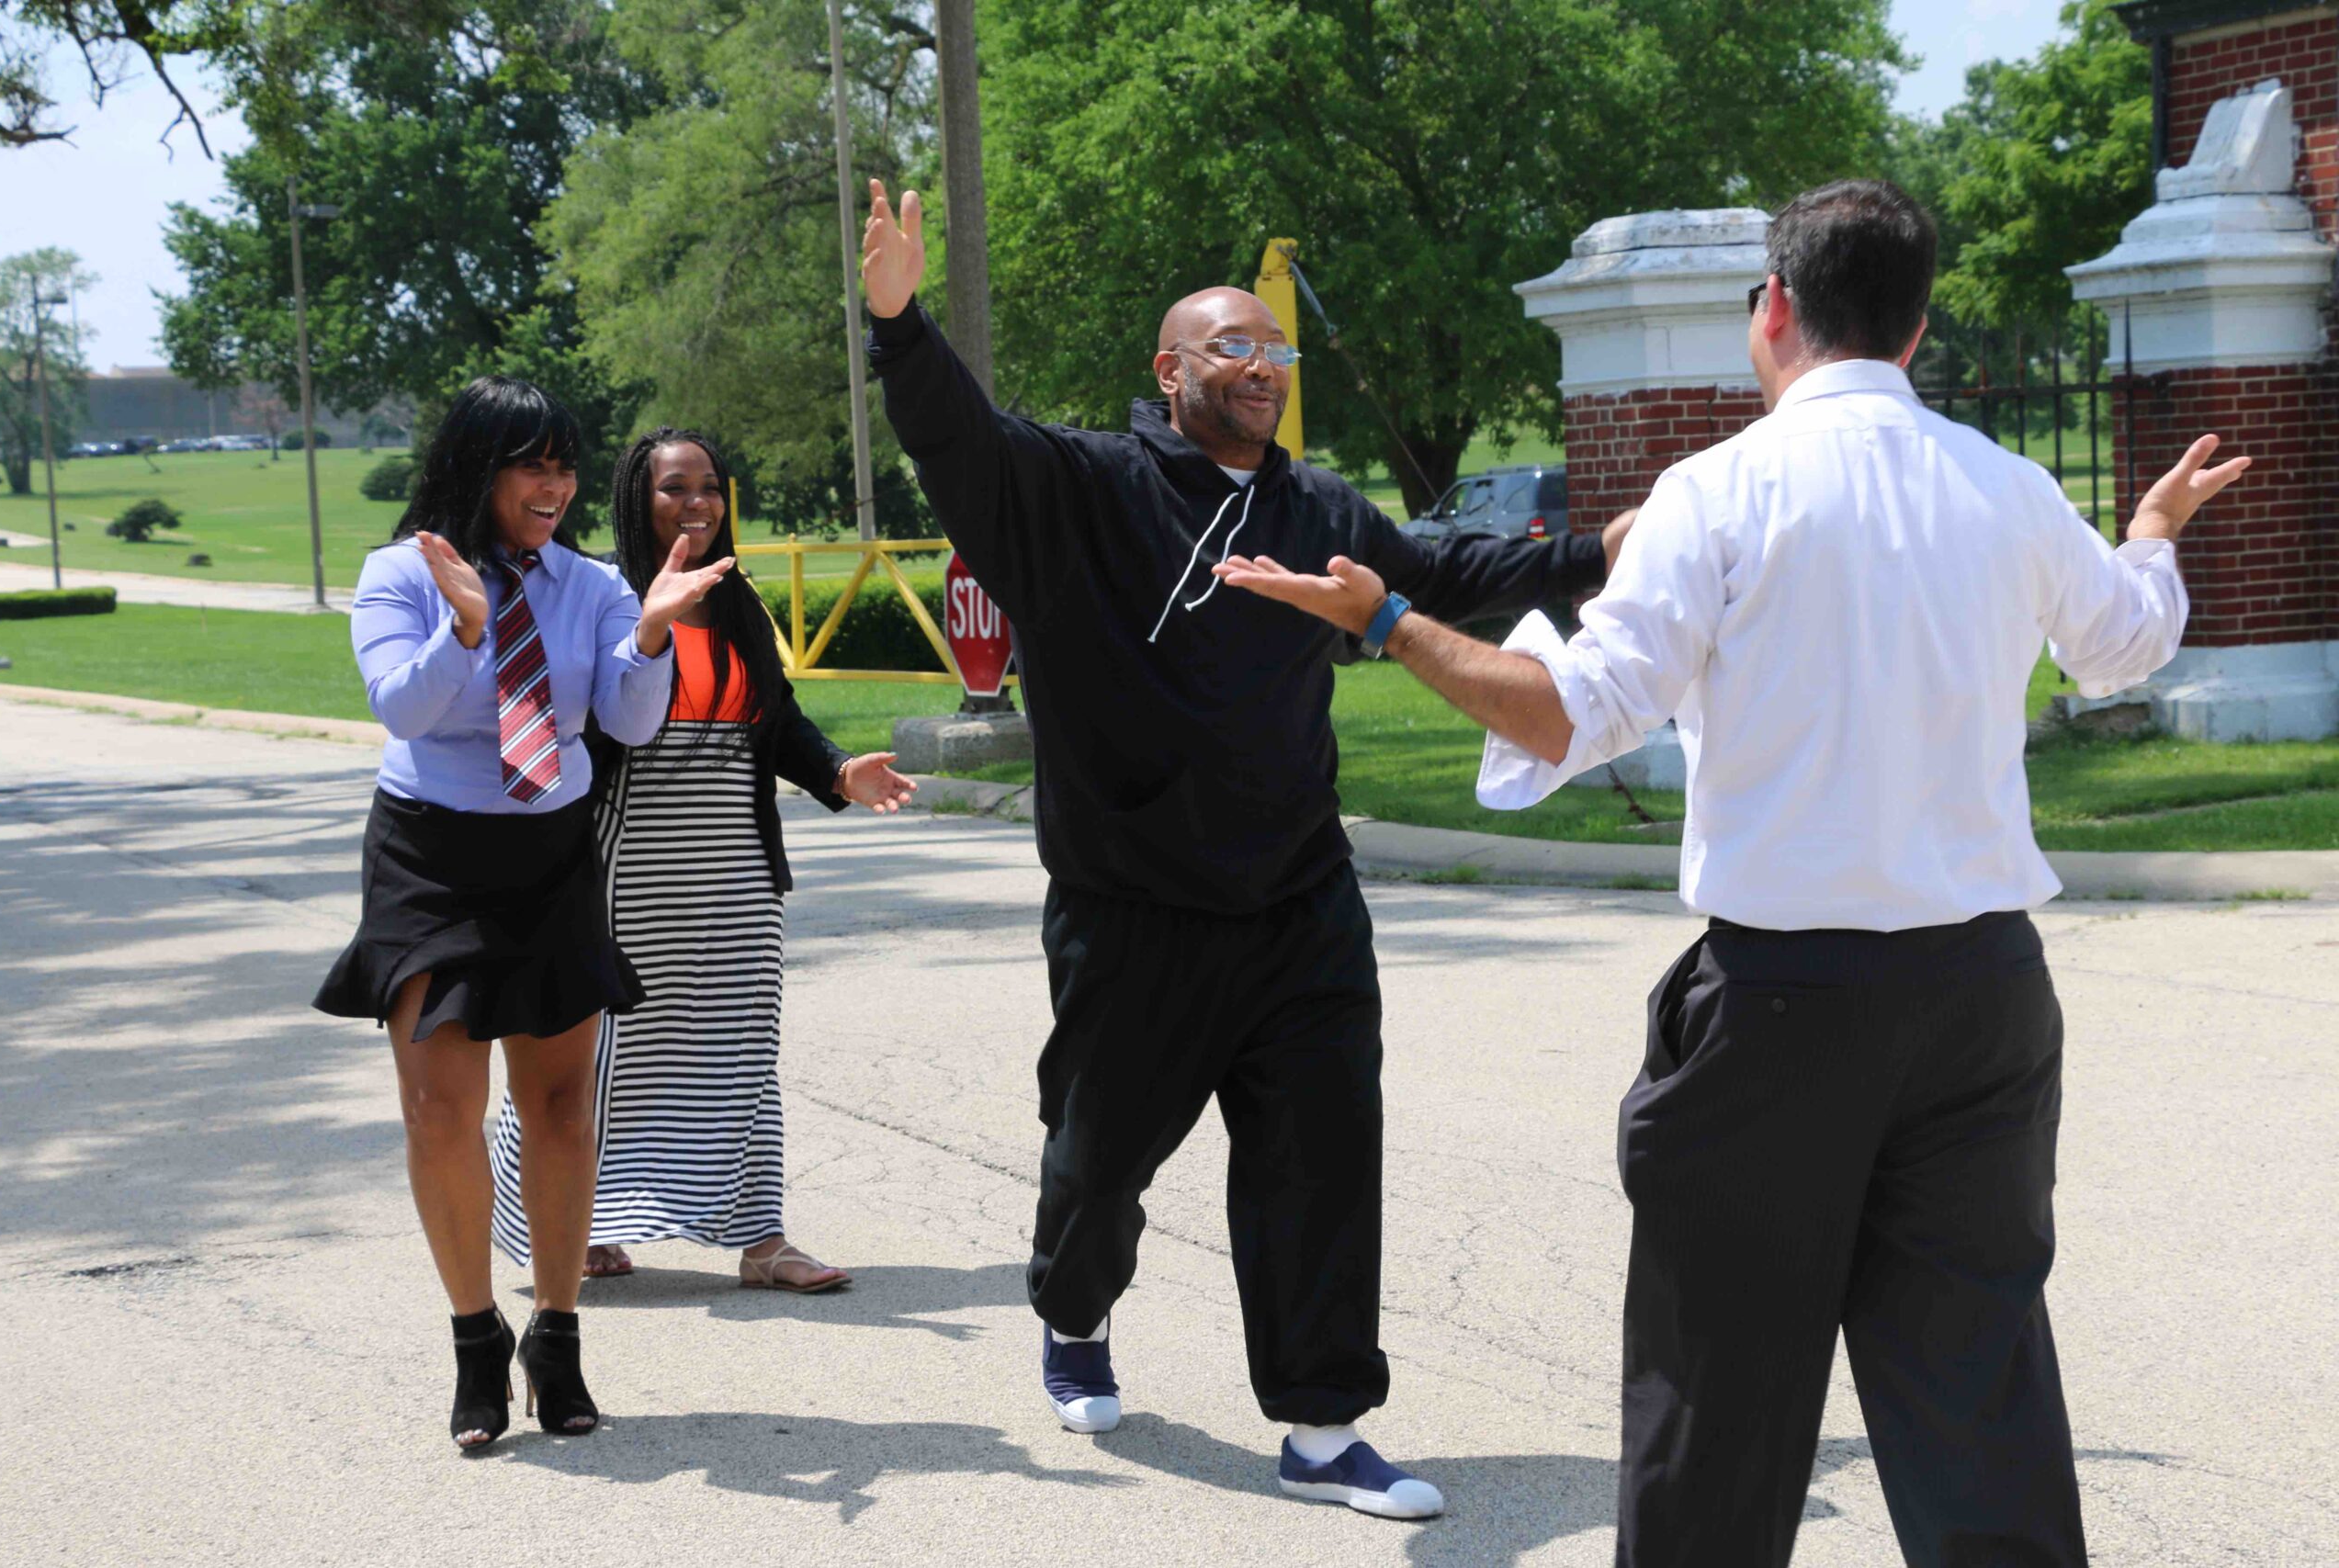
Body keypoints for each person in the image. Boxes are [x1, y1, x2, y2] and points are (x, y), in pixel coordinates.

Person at [1215, 179, 2250, 1565]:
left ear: (1772, 311)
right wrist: (2155, 531)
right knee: (1977, 1391)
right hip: (1984, 999)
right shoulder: (2008, 489)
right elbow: (2127, 638)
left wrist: (1390, 617)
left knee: (1719, 1397)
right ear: (1919, 325)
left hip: (1785, 1002)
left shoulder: (1717, 495)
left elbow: (1564, 714)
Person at [859, 179, 1627, 1520]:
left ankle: (1325, 1427)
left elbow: (1435, 565)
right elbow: (961, 441)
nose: (1263, 367)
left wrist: (1585, 557)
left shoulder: (1317, 505)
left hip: (1298, 901)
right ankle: (1075, 1310)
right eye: (1233, 346)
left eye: (1275, 349)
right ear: (1169, 369)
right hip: (1133, 909)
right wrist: (898, 321)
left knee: (1322, 1157)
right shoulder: (1084, 485)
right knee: (1096, 1168)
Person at [313, 377, 734, 1450]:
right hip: (430, 856)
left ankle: (556, 1331)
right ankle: (473, 1341)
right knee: (439, 1110)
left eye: (564, 465)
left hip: (549, 853)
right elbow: (401, 707)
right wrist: (463, 628)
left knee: (557, 1109)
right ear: (475, 465)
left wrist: (646, 640)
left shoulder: (590, 583)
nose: (554, 485)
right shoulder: (398, 573)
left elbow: (626, 727)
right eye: (530, 464)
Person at [487, 427, 916, 1292]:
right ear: (635, 501)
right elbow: (574, 714)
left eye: (712, 487)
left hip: (734, 863)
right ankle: (569, 1220)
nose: (699, 503)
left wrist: (838, 768)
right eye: (675, 487)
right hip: (625, 859)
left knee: (740, 1048)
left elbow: (778, 719)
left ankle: (763, 1240)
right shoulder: (604, 594)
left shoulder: (740, 599)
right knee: (600, 1053)